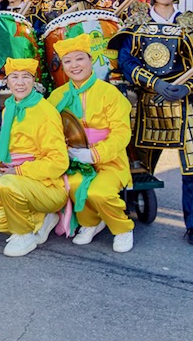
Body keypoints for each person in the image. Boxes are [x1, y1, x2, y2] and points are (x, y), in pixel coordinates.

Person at [113, 0, 193, 246]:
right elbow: (126, 61)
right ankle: (127, 207)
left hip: (185, 103)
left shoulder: (190, 22)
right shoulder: (137, 22)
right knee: (135, 163)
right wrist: (155, 83)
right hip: (146, 100)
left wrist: (184, 88)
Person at [47, 34, 135, 253]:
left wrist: (94, 155)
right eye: (67, 61)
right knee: (74, 186)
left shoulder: (109, 93)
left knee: (98, 192)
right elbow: (48, 130)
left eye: (79, 59)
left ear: (90, 59)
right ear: (62, 66)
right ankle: (91, 222)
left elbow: (122, 133)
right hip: (73, 160)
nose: (74, 65)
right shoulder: (57, 96)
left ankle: (122, 228)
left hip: (109, 160)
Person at [0, 58, 68, 257]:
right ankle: (43, 220)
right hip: (20, 185)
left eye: (26, 77)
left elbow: (59, 161)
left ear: (34, 81)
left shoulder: (45, 112)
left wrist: (18, 171)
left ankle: (24, 233)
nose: (20, 83)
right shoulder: (9, 107)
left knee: (7, 184)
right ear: (7, 82)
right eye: (14, 77)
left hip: (47, 188)